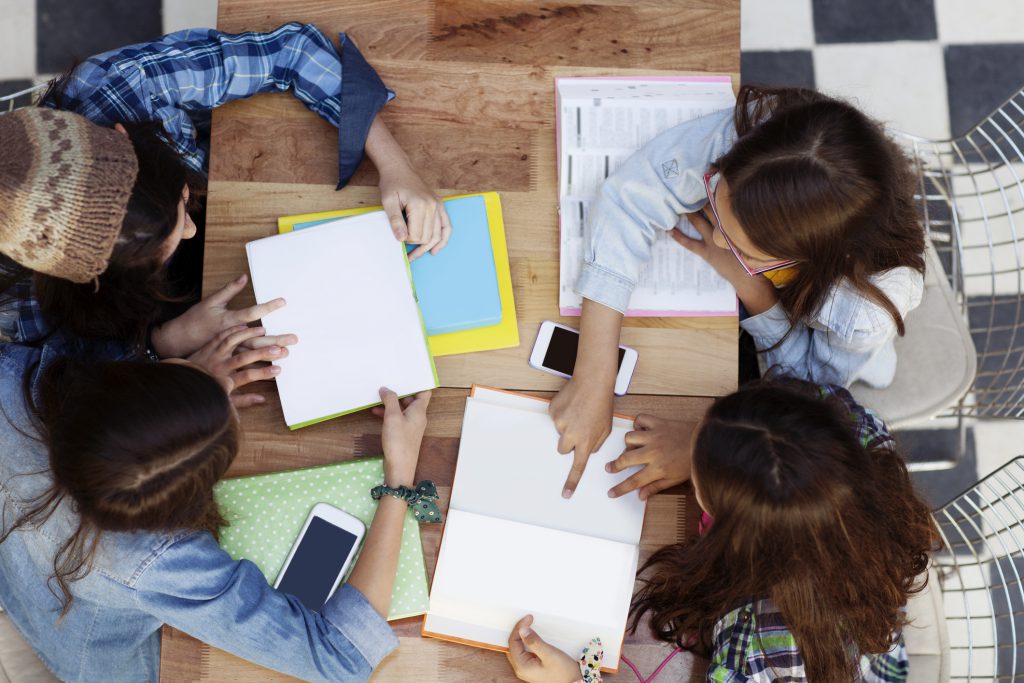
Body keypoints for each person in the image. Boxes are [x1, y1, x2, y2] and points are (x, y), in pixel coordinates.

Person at [0, 324, 433, 682]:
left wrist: (162, 353)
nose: (225, 384)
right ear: (188, 500)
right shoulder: (163, 562)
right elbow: (342, 657)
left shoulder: (14, 377)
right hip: (84, 655)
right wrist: (399, 476)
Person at [549, 86, 926, 497]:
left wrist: (753, 289)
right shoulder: (767, 137)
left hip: (820, 345)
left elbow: (808, 388)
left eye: (743, 249)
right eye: (715, 199)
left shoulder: (861, 313)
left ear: (807, 260)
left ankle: (877, 362)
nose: (717, 240)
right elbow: (635, 192)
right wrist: (594, 371)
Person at [0, 22, 450, 361]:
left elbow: (293, 52)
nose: (192, 231)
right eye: (162, 244)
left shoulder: (119, 85)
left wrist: (395, 165)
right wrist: (164, 342)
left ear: (123, 136)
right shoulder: (16, 300)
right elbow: (64, 371)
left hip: (241, 180)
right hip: (164, 323)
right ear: (85, 278)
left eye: (181, 205)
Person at [505, 380, 940, 683]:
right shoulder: (852, 426)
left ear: (738, 536)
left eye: (699, 480)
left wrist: (572, 679)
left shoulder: (752, 651)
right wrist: (705, 442)